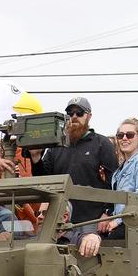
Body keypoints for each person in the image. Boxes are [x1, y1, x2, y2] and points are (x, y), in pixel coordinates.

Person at [28, 96, 118, 225]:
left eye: (79, 112)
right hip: (59, 220)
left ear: (89, 116)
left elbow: (113, 181)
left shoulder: (102, 143)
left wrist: (107, 212)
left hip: (92, 220)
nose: (74, 116)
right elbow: (43, 180)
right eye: (70, 113)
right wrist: (36, 158)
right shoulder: (56, 146)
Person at [100, 119, 138, 236]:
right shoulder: (120, 169)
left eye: (130, 135)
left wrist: (116, 222)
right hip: (122, 223)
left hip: (137, 224)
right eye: (120, 135)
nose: (124, 138)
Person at [35, 203, 101, 257]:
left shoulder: (75, 240)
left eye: (45, 213)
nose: (39, 217)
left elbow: (87, 239)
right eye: (38, 213)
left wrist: (93, 237)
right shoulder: (34, 241)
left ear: (64, 217)